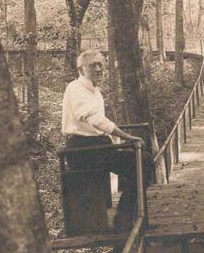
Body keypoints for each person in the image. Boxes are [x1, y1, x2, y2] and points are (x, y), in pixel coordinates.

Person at [61, 49, 155, 231]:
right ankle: (126, 218)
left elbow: (99, 126)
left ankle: (129, 215)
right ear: (81, 69)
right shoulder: (76, 89)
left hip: (97, 147)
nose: (98, 69)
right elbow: (95, 120)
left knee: (141, 161)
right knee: (141, 161)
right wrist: (127, 137)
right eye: (92, 65)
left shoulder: (95, 91)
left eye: (100, 65)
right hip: (82, 150)